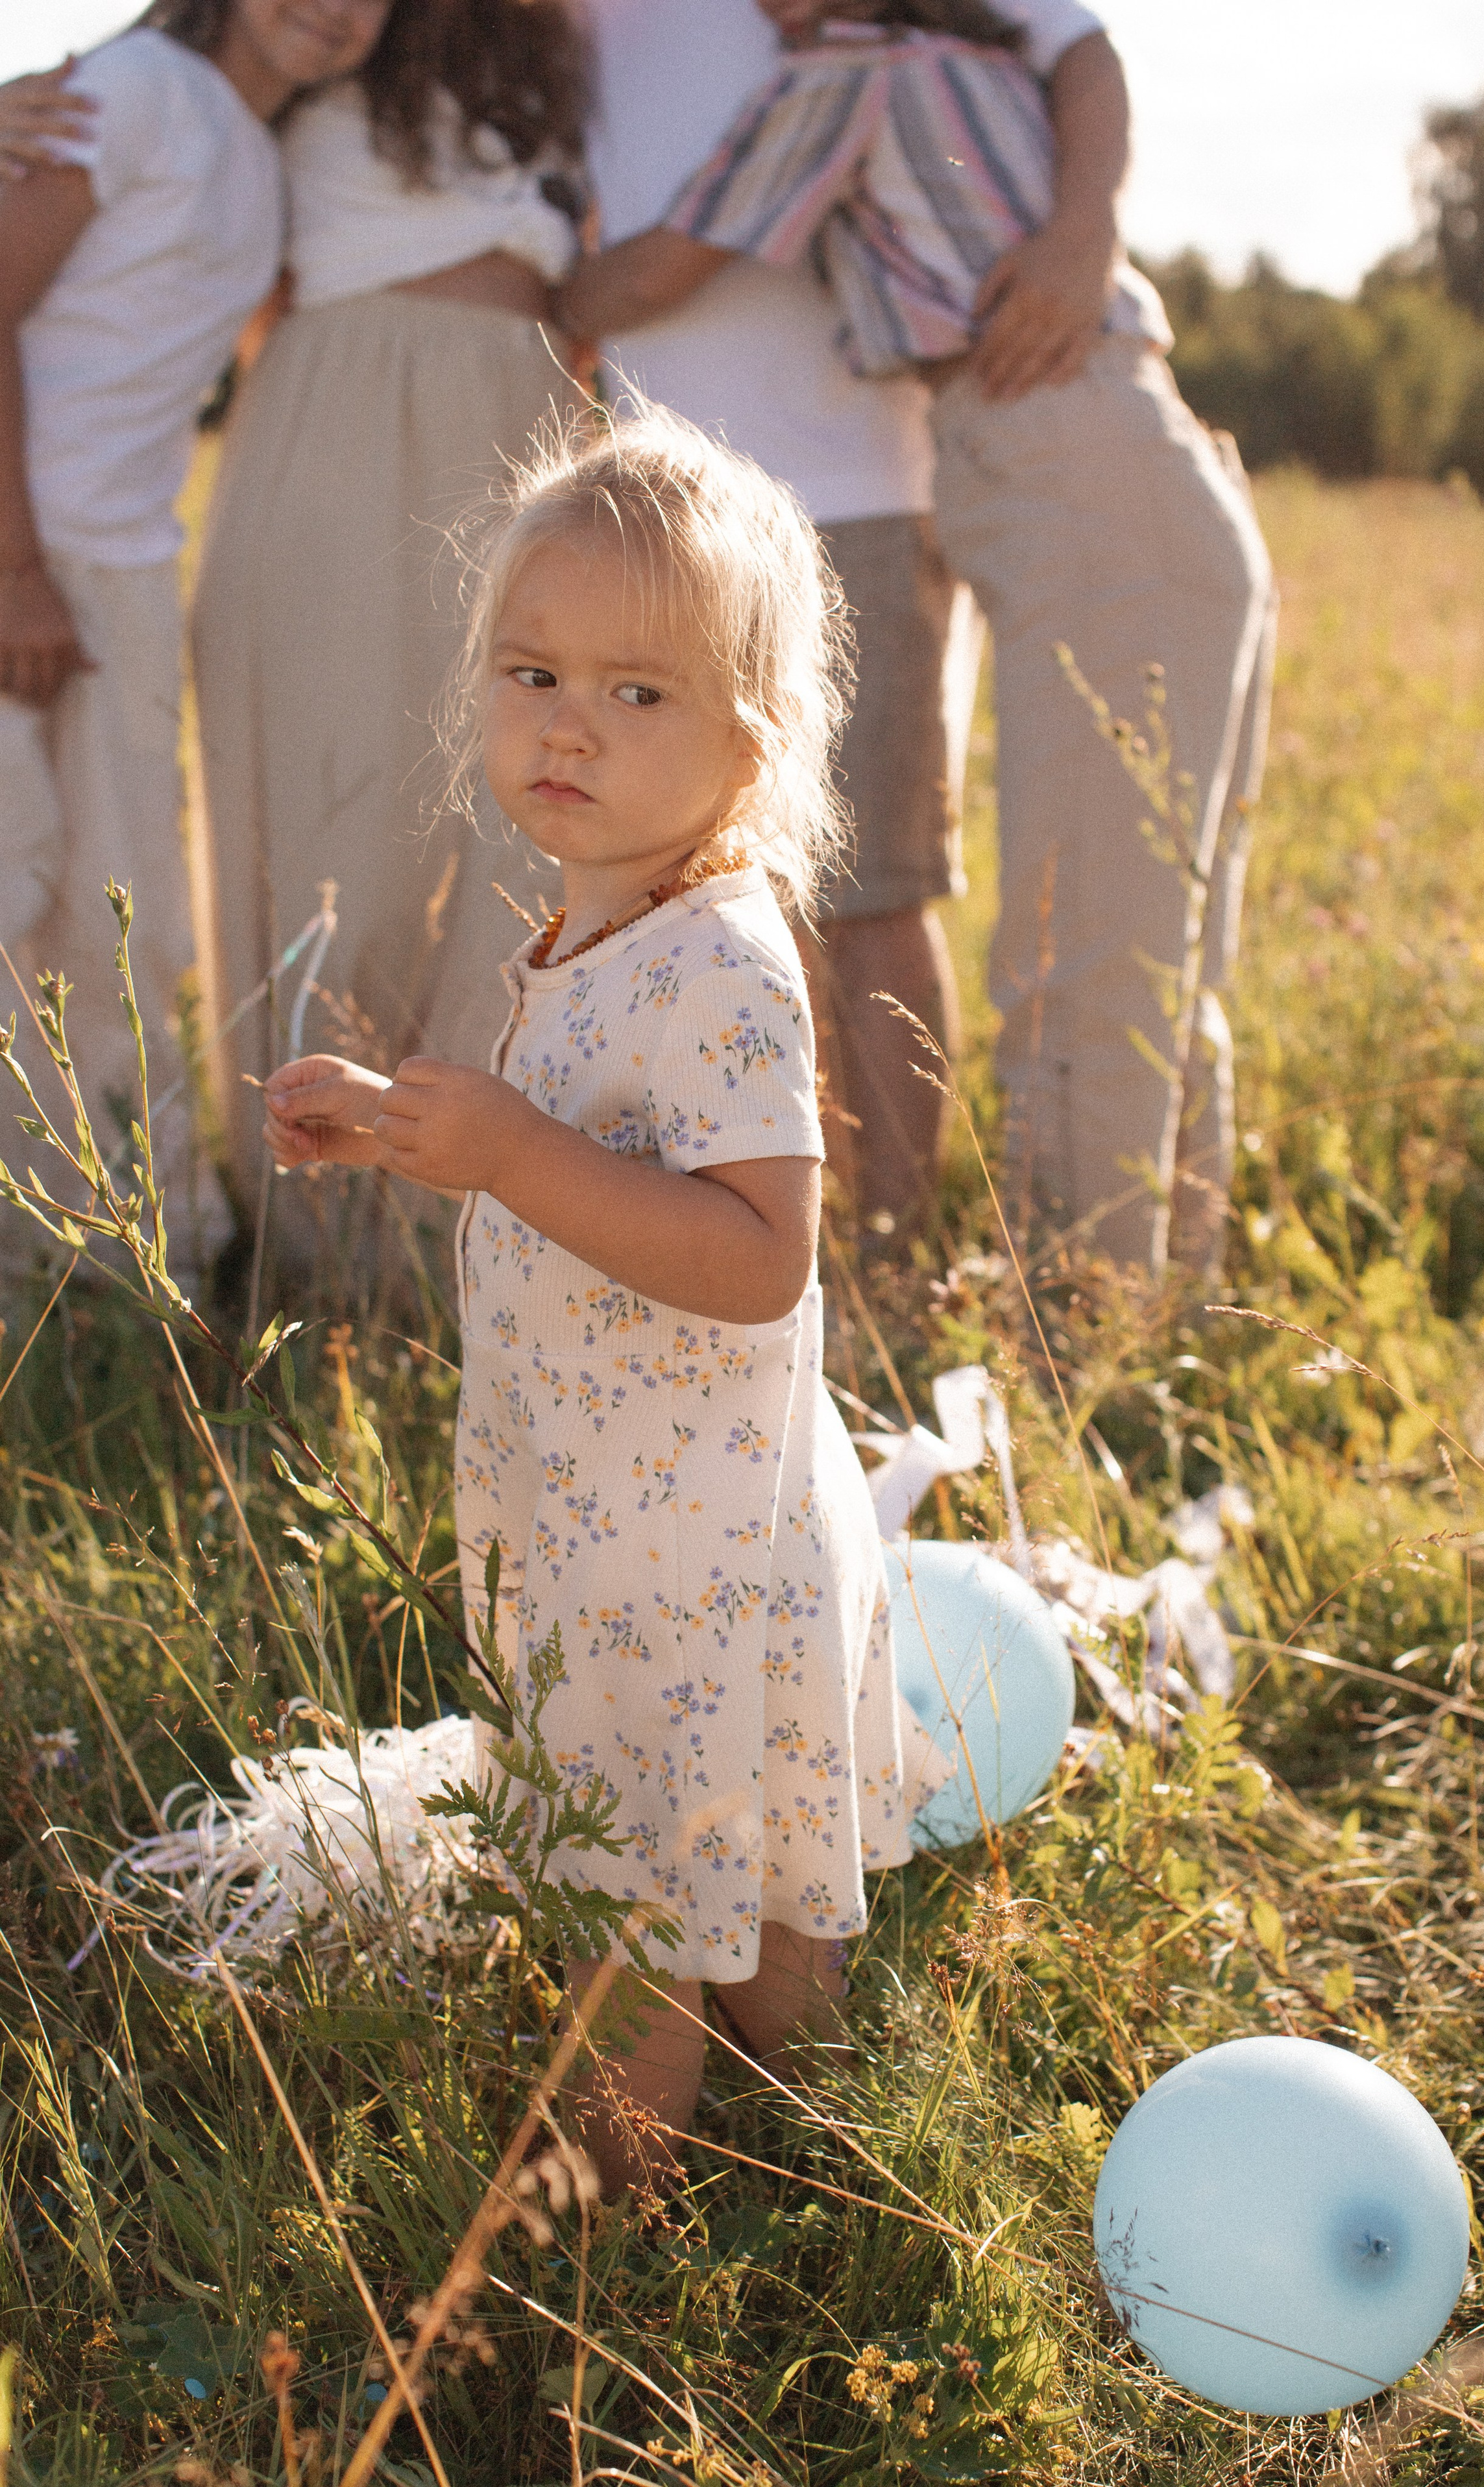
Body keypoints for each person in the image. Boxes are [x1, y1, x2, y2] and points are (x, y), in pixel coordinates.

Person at [262, 408, 912, 2194]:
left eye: (640, 693)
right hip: (616, 1504)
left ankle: (604, 2243)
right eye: (537, 671)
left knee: (640, 1906)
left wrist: (512, 1154)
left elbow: (756, 1255)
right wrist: (406, 1132)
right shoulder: (591, 925)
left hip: (684, 1542)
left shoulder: (724, 958)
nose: (569, 722)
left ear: (749, 742)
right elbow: (564, 1164)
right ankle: (805, 2140)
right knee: (750, 1884)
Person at [558, 0, 1276, 1278]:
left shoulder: (847, 78)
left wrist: (498, 290)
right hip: (1148, 468)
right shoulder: (967, 59)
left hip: (1068, 469)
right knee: (1159, 940)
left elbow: (662, 265)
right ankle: (1172, 1299)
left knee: (1077, 953)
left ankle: (1082, 1318)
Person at [187, 0, 589, 1262]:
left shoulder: (551, 41)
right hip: (339, 420)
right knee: (334, 815)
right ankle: (316, 1238)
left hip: (520, 423)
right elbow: (141, 121)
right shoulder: (313, 24)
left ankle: (469, 1231)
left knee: (506, 820)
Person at [0, 0, 391, 1290]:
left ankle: (97, 1268)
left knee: (104, 927)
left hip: (117, 565)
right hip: (27, 547)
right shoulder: (140, 88)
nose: (332, 9)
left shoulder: (266, 155)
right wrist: (16, 569)